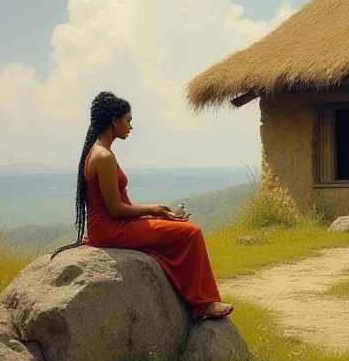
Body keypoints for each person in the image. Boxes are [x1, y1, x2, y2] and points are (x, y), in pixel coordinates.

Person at [50, 91, 234, 320]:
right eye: (128, 120)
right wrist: (151, 210)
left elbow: (118, 204)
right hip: (110, 229)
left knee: (173, 227)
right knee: (192, 233)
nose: (131, 126)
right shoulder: (104, 156)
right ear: (114, 121)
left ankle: (196, 297)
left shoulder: (99, 152)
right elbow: (115, 209)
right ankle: (203, 304)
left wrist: (156, 212)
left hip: (110, 226)